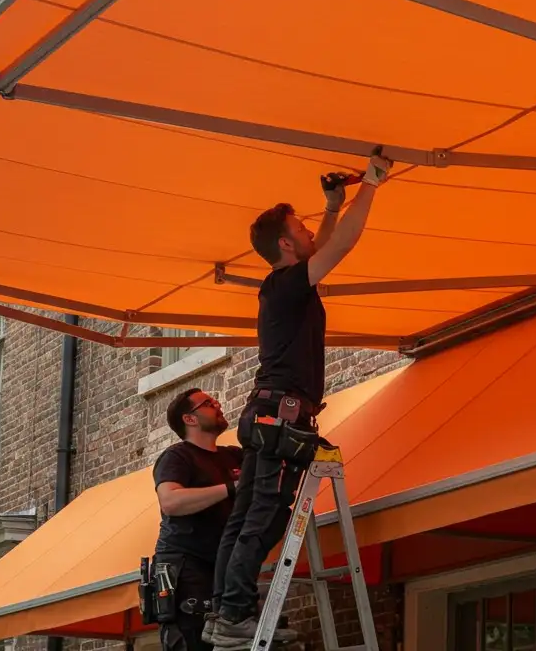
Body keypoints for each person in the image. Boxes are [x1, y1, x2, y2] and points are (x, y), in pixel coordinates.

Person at [209, 153, 392, 646]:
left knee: (245, 518)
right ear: (287, 244)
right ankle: (233, 616)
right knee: (265, 518)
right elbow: (342, 245)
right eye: (302, 228)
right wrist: (371, 184)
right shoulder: (288, 286)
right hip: (281, 414)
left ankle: (223, 611)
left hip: (268, 413)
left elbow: (327, 243)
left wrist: (332, 206)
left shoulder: (282, 287)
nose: (312, 232)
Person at [151, 388, 246, 651]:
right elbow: (171, 501)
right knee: (193, 640)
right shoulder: (177, 456)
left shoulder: (234, 456)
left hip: (225, 564)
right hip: (186, 565)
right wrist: (231, 488)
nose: (217, 404)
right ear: (189, 419)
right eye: (208, 403)